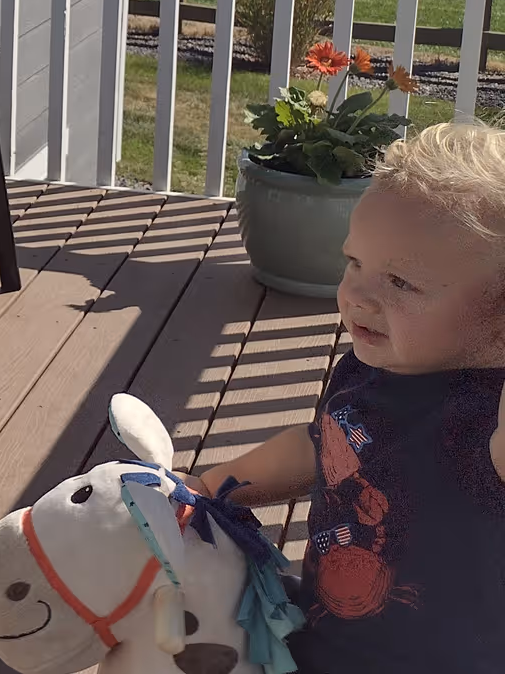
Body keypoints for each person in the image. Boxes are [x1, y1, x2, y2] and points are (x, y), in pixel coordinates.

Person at [184, 122, 505, 673]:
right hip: (317, 644)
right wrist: (211, 489)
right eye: (355, 262)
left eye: (401, 282)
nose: (357, 293)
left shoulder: (487, 423)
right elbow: (326, 447)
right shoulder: (370, 367)